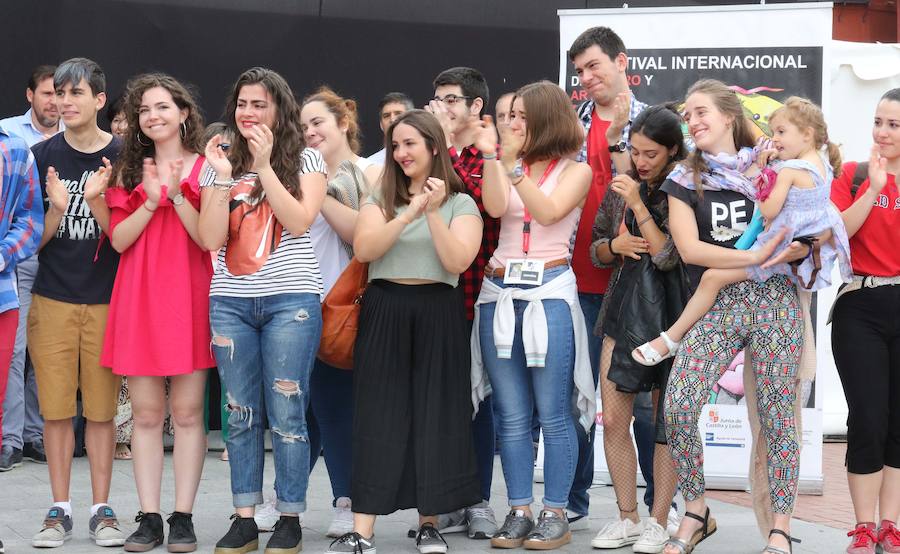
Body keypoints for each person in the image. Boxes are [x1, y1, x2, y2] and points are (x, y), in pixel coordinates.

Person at [661, 79, 812, 554]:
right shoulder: (683, 179)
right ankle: (696, 510)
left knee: (776, 418)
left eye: (702, 111)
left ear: (729, 115)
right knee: (680, 403)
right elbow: (689, 251)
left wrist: (796, 247)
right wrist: (758, 258)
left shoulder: (776, 162)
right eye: (688, 115)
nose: (694, 121)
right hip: (719, 302)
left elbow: (809, 222)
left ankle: (780, 529)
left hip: (775, 303)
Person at [326, 109, 483, 554]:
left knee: (436, 414)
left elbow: (457, 261)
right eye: (396, 145)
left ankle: (429, 523)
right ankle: (363, 529)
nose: (401, 153)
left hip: (439, 309)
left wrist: (432, 214)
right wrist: (409, 211)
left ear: (434, 146)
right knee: (377, 413)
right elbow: (366, 248)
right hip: (385, 307)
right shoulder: (379, 198)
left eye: (410, 143)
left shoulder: (461, 202)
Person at [199, 67, 327, 554]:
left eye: (260, 104)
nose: (249, 113)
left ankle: (290, 515)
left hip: (291, 299)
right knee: (240, 414)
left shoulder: (307, 157)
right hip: (230, 299)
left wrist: (267, 165)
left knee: (288, 412)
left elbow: (298, 221)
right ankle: (245, 517)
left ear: (280, 109)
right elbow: (210, 239)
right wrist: (224, 178)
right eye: (242, 104)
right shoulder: (220, 161)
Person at [634, 97, 851, 366]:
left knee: (712, 277)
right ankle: (672, 339)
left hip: (775, 256)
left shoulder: (787, 170)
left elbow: (769, 210)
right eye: (773, 133)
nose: (775, 140)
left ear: (806, 134)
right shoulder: (824, 166)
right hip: (788, 251)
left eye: (781, 132)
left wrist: (762, 183)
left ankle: (671, 338)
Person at [472, 80, 593, 551]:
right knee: (511, 413)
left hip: (550, 289)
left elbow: (547, 212)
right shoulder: (503, 163)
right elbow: (496, 207)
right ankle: (519, 508)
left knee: (554, 411)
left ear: (545, 118)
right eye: (508, 116)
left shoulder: (575, 171)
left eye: (520, 116)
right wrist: (500, 162)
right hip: (500, 287)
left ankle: (556, 511)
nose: (511, 123)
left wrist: (513, 166)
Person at [100, 73, 214, 552]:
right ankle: (148, 516)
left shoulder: (209, 166)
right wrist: (149, 202)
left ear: (184, 112)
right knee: (146, 414)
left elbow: (210, 238)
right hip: (141, 292)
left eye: (163, 107)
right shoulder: (129, 170)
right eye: (145, 110)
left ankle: (182, 517)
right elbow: (120, 241)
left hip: (190, 292)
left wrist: (177, 195)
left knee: (188, 414)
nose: (153, 116)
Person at [28, 57, 126, 549]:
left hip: (109, 300)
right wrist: (58, 212)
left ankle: (102, 510)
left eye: (75, 94)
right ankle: (59, 509)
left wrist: (97, 204)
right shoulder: (39, 154)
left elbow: (129, 239)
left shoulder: (124, 156)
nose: (64, 103)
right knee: (56, 410)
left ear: (100, 100)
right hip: (53, 298)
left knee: (104, 411)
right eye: (58, 94)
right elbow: (30, 241)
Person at [568, 26, 663, 532]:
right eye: (579, 71)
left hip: (641, 285)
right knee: (583, 396)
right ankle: (573, 503)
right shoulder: (570, 119)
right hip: (580, 274)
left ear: (621, 61)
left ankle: (656, 511)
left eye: (594, 67)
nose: (586, 79)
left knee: (646, 408)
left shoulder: (655, 120)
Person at [588, 104, 688, 552]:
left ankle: (658, 519)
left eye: (651, 153)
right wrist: (614, 244)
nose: (641, 161)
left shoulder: (683, 190)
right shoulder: (619, 188)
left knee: (666, 421)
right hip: (622, 312)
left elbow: (669, 256)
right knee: (613, 417)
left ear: (672, 151)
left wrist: (638, 206)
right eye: (635, 151)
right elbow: (594, 249)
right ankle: (626, 516)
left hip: (674, 318)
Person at [425, 65, 502, 541]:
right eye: (438, 99)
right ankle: (446, 500)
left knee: (480, 402)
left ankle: (479, 501)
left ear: (476, 107)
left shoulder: (484, 156)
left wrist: (444, 155)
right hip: (430, 294)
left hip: (477, 293)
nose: (443, 108)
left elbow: (480, 203)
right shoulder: (431, 152)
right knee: (442, 404)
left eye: (452, 100)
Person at [300, 86, 375, 538]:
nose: (309, 132)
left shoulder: (369, 171)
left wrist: (316, 192)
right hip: (294, 301)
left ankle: (346, 500)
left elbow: (358, 233)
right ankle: (284, 497)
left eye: (318, 123)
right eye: (304, 126)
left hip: (343, 304)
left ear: (343, 123)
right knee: (299, 406)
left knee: (333, 405)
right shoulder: (292, 173)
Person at [830, 88, 900, 554]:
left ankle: (890, 525)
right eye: (878, 121)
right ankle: (862, 526)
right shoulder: (852, 174)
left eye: (893, 125)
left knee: (897, 423)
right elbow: (836, 234)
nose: (882, 132)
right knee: (868, 417)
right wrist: (873, 189)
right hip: (861, 304)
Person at [0, 64, 62, 473]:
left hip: (62, 261)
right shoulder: (9, 135)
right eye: (47, 94)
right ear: (30, 96)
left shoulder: (75, 135)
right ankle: (11, 438)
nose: (55, 102)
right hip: (20, 260)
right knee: (15, 351)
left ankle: (39, 434)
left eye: (61, 95)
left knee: (48, 351)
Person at [0, 119, 45, 554]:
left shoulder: (14, 151)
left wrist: (2, 253)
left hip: (5, 289)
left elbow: (30, 220)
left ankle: (15, 440)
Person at [366, 92, 414, 165]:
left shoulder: (425, 155)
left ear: (412, 119)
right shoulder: (370, 164)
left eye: (398, 114)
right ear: (381, 125)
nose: (392, 119)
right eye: (386, 116)